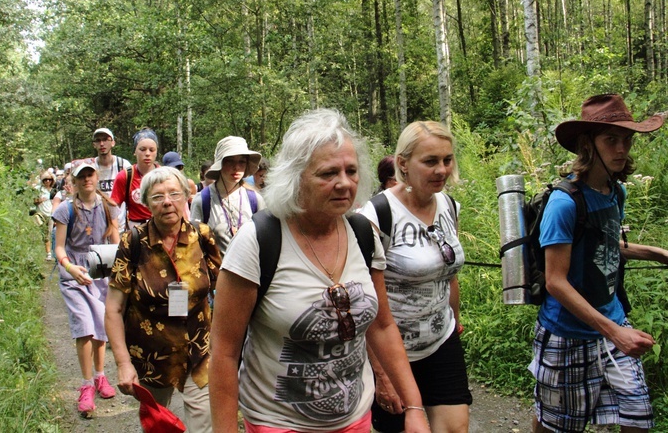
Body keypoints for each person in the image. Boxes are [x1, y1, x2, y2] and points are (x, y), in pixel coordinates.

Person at [209, 109, 430, 433]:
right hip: (279, 423)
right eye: (328, 173)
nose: (344, 183)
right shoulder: (260, 240)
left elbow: (382, 326)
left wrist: (413, 407)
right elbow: (225, 352)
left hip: (355, 418)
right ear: (296, 177)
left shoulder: (363, 233)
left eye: (351, 170)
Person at [530, 93, 668, 433]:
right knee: (558, 425)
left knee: (638, 419)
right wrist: (616, 333)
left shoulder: (614, 192)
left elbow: (607, 246)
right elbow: (555, 282)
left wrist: (659, 253)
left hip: (612, 323)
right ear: (588, 145)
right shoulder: (563, 204)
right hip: (568, 334)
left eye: (626, 139)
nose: (622, 148)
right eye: (611, 140)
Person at [360, 121, 471, 432]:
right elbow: (367, 301)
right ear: (404, 164)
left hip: (441, 340)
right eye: (430, 161)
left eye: (447, 160)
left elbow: (448, 272)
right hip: (394, 352)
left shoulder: (448, 206)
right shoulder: (376, 216)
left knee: (455, 427)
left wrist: (455, 320)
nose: (441, 170)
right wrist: (381, 374)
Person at [105, 166, 222, 433]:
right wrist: (123, 364)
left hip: (199, 355)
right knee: (159, 427)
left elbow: (224, 292)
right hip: (151, 359)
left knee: (204, 426)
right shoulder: (133, 241)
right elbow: (113, 309)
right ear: (146, 203)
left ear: (186, 197)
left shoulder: (202, 236)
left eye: (174, 193)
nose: (167, 201)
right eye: (157, 197)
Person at [52, 159, 120, 418]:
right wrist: (70, 268)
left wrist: (121, 266)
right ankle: (86, 384)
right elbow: (58, 247)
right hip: (75, 275)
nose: (87, 180)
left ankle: (101, 376)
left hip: (101, 270)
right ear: (74, 181)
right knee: (84, 326)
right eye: (82, 176)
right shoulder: (65, 211)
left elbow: (115, 239)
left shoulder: (107, 207)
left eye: (91, 175)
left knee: (101, 326)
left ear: (96, 176)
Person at [190, 136, 265, 254]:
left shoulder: (255, 199)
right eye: (230, 161)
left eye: (242, 161)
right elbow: (194, 246)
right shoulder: (203, 200)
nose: (236, 167)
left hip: (250, 270)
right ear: (220, 164)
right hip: (216, 271)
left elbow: (264, 240)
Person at [111, 128, 159, 230]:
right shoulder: (125, 176)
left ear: (156, 152)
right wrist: (115, 234)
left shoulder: (165, 176)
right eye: (142, 149)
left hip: (160, 227)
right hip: (135, 231)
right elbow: (112, 209)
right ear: (135, 151)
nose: (147, 153)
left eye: (151, 150)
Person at [92, 127, 131, 196]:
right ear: (94, 144)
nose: (101, 144)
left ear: (113, 143)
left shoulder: (123, 165)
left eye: (105, 140)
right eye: (98, 140)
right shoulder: (91, 166)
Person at [34, 170, 56, 261]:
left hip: (51, 214)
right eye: (45, 179)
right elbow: (34, 201)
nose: (47, 181)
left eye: (49, 179)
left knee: (51, 233)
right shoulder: (39, 190)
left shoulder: (54, 191)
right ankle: (48, 253)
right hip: (41, 214)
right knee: (45, 234)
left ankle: (53, 252)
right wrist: (40, 200)